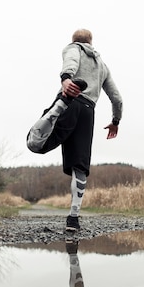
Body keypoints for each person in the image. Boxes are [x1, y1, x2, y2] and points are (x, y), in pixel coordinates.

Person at [26, 29, 123, 233]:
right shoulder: (103, 67)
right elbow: (117, 98)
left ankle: (58, 106)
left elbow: (70, 62)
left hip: (71, 101)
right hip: (88, 113)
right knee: (80, 167)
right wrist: (115, 121)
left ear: (75, 40)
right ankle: (73, 219)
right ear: (91, 42)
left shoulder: (73, 48)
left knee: (35, 144)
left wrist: (66, 79)